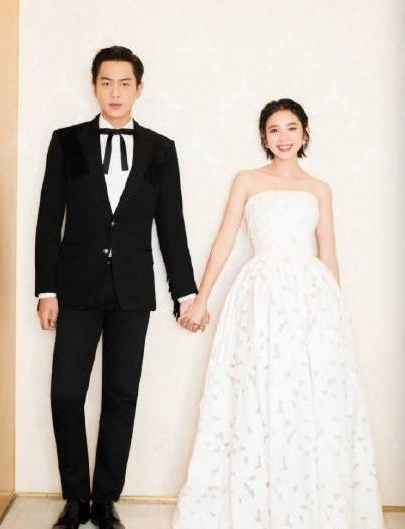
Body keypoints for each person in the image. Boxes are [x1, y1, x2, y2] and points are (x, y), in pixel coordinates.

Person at [173, 98, 384, 528]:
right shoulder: (247, 180)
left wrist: (336, 315)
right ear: (263, 137)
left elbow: (329, 253)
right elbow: (224, 240)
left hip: (311, 299)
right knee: (257, 388)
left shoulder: (319, 189)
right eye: (274, 129)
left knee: (309, 395)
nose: (283, 137)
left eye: (291, 128)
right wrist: (201, 298)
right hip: (260, 295)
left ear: (305, 133)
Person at [35, 46, 207, 529]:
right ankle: (76, 499)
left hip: (132, 291)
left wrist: (185, 293)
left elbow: (170, 225)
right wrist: (45, 290)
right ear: (94, 86)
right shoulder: (66, 142)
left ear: (139, 89)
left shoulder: (160, 148)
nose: (115, 92)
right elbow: (49, 219)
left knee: (120, 396)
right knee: (65, 393)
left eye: (124, 83)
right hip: (76, 289)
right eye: (106, 82)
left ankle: (106, 500)